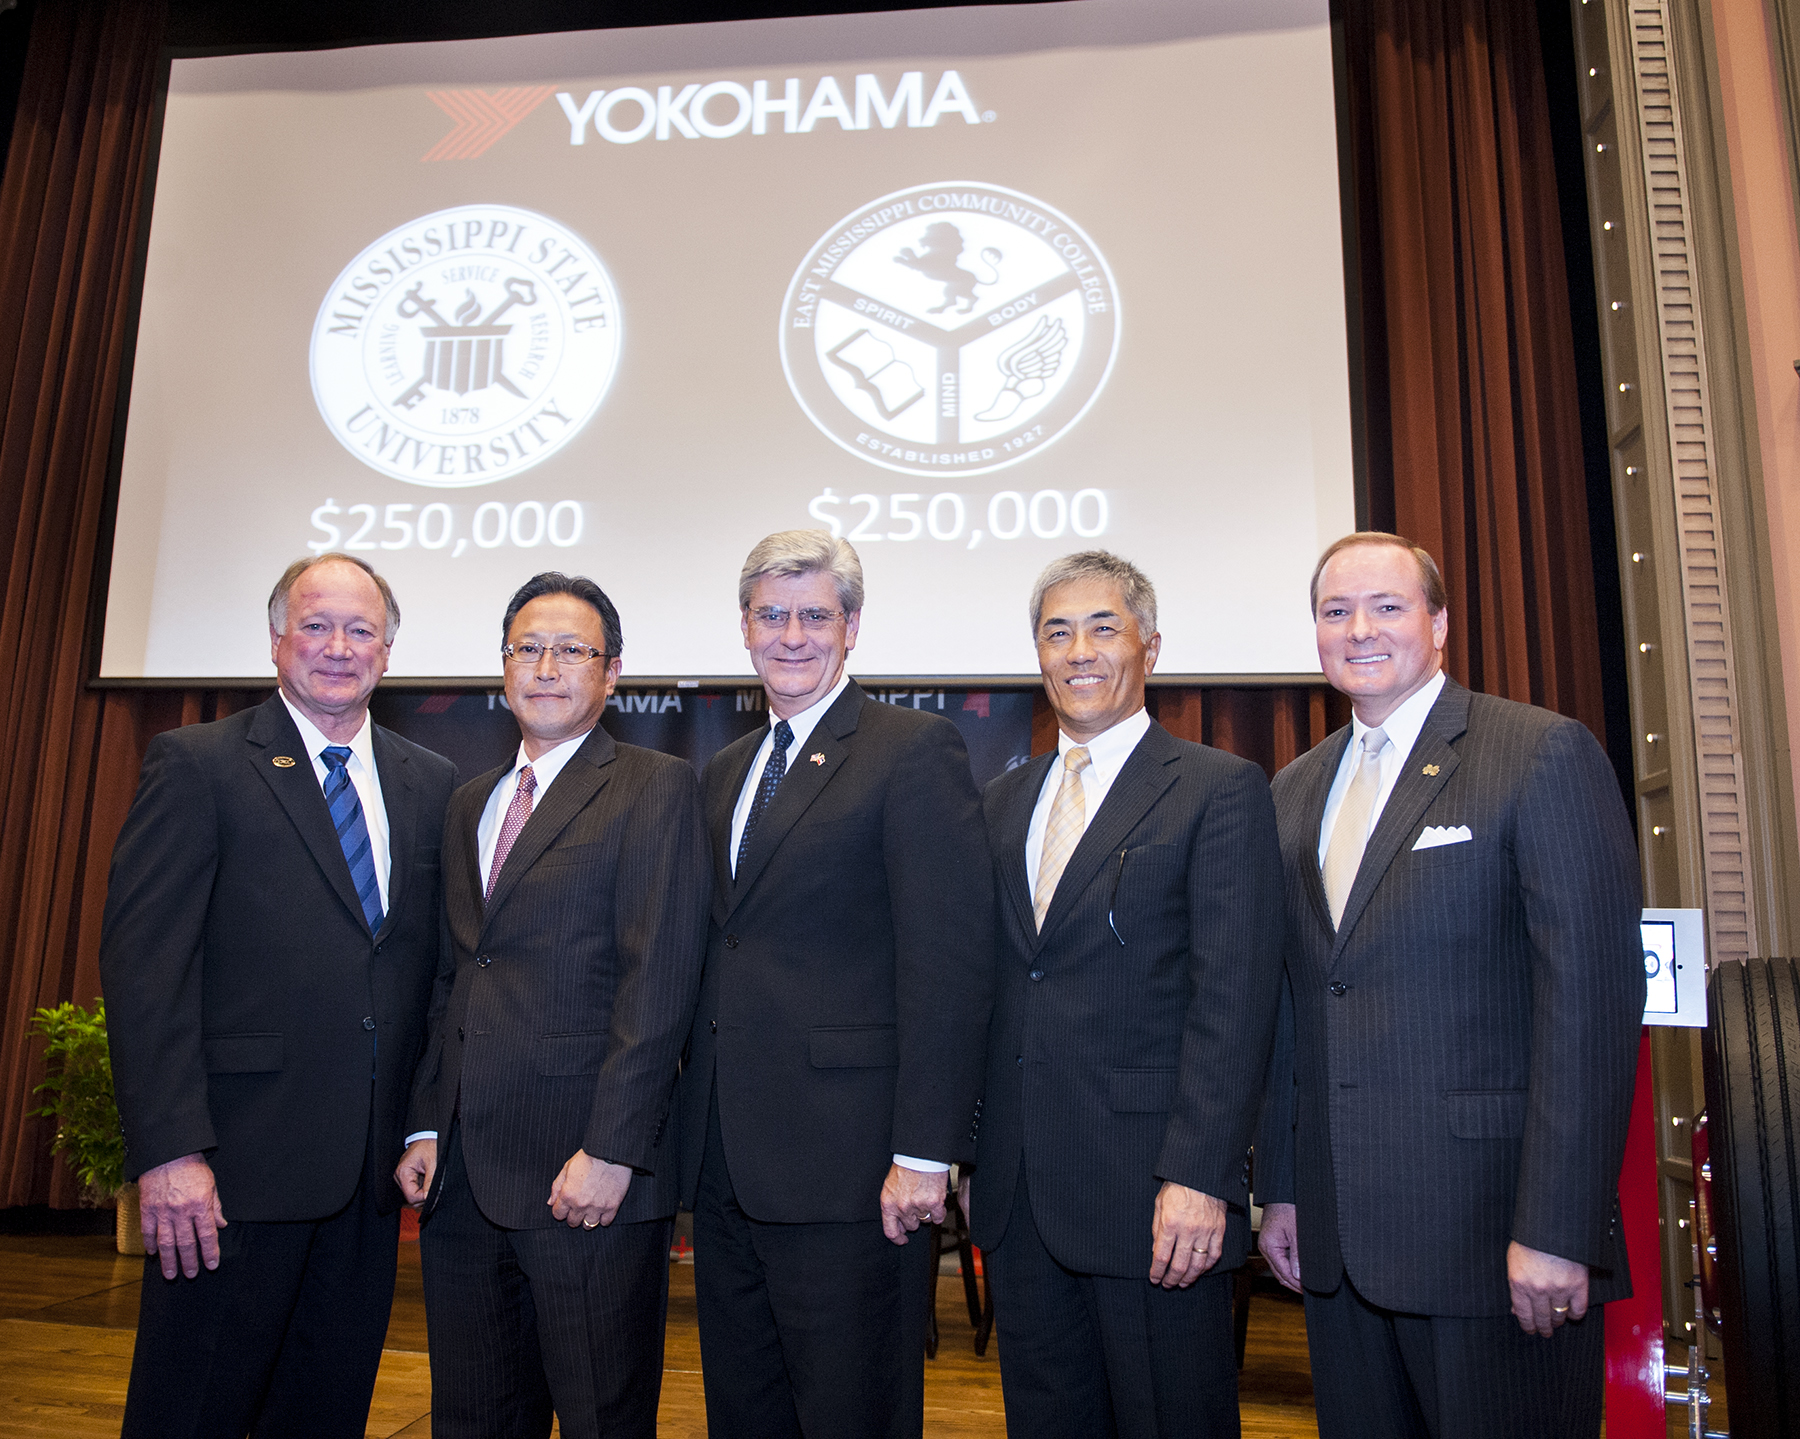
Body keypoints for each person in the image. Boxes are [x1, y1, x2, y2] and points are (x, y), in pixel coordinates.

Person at [1255, 532, 1645, 1439]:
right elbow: (1290, 1008)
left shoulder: (1539, 753)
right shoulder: (1291, 790)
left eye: (1387, 606)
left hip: (1495, 1243)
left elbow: (1588, 1007)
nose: (1360, 629)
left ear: (1438, 623)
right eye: (1335, 610)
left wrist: (1559, 1226)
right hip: (1338, 1244)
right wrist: (1282, 1184)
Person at [99, 553, 456, 1439]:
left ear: (389, 647)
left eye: (361, 629)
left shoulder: (434, 783)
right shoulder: (198, 764)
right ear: (275, 639)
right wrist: (171, 1150)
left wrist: (421, 1120)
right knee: (194, 1410)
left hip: (368, 1189)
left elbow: (435, 976)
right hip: (229, 1179)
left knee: (323, 1413)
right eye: (317, 625)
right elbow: (146, 968)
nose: (339, 647)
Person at [675, 528, 995, 1438]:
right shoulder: (728, 770)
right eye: (771, 614)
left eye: (815, 614)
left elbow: (951, 964)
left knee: (852, 1413)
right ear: (744, 626)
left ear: (852, 627)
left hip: (855, 1171)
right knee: (747, 1410)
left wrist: (926, 1151)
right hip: (732, 1165)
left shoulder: (911, 749)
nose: (791, 634)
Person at [965, 550, 1284, 1439]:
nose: (1078, 650)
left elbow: (1235, 1001)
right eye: (1056, 631)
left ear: (1150, 646)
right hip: (1023, 1199)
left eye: (1102, 627)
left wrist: (1198, 1176)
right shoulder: (1000, 801)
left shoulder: (1218, 790)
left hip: (1153, 1203)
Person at [394, 572, 709, 1439]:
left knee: (603, 1416)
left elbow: (660, 983)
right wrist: (427, 1124)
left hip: (588, 1180)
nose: (546, 666)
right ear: (502, 667)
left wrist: (613, 1149)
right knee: (473, 1417)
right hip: (463, 1184)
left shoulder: (655, 787)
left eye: (572, 650)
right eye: (528, 648)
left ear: (611, 674)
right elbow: (457, 977)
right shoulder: (471, 802)